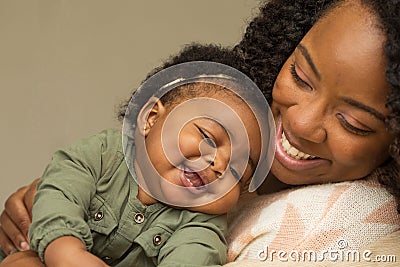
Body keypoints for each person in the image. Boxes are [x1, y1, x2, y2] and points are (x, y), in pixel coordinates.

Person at [1, 0, 400, 265]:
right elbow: (71, 182)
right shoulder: (217, 118)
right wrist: (51, 216)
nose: (301, 122)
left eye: (353, 122)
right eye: (299, 75)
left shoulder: (359, 222)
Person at [0, 49, 273, 266]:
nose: (219, 164)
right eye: (209, 138)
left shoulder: (201, 224)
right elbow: (61, 193)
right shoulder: (104, 154)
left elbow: (194, 257)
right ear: (151, 118)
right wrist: (66, 251)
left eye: (237, 172)